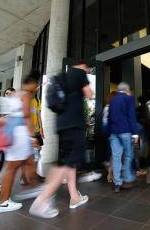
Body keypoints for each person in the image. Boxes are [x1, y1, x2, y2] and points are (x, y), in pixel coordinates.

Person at [29, 61, 94, 219]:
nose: (88, 70)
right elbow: (89, 94)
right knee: (67, 164)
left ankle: (75, 197)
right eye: (88, 68)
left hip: (62, 125)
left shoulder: (61, 77)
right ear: (83, 65)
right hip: (75, 124)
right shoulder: (79, 73)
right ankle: (42, 200)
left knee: (69, 162)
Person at [0, 71, 43, 213]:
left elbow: (4, 115)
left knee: (29, 161)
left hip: (11, 132)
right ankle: (3, 202)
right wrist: (32, 136)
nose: (37, 88)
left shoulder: (14, 95)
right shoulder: (26, 95)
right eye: (37, 84)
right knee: (12, 167)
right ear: (33, 83)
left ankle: (32, 187)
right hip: (19, 133)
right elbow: (27, 117)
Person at [108, 82, 139, 193]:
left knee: (116, 158)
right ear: (126, 89)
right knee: (128, 155)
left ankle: (117, 183)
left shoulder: (112, 99)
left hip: (113, 133)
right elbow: (131, 116)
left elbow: (109, 118)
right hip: (125, 132)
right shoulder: (128, 98)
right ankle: (127, 177)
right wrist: (135, 133)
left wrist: (110, 132)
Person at [102, 91, 118, 183]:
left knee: (110, 150)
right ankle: (110, 173)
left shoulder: (106, 107)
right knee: (113, 151)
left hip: (105, 128)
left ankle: (109, 169)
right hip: (111, 128)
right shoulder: (113, 107)